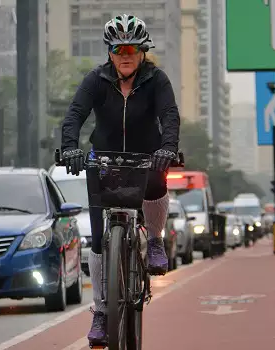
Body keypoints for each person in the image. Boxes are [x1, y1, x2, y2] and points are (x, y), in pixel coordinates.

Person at [59, 14, 180, 345]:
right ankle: (101, 311)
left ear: (142, 51)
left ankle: (154, 239)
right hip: (104, 158)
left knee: (158, 179)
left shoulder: (157, 80)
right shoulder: (96, 80)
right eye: (118, 48)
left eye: (131, 48)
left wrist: (168, 148)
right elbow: (74, 116)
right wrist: (69, 149)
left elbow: (169, 116)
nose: (125, 54)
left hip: (147, 156)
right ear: (109, 52)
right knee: (98, 239)